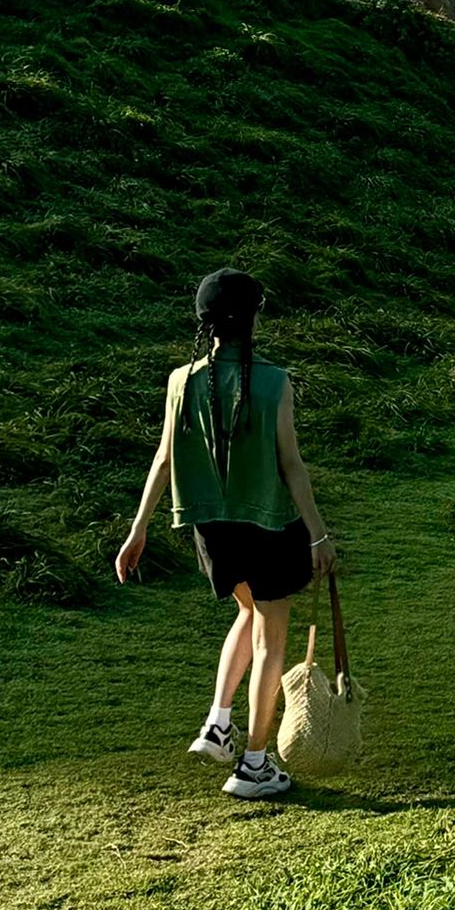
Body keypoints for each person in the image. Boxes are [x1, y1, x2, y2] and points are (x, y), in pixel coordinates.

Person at [115, 267, 336, 800]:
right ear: (254, 317)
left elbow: (164, 458)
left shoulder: (179, 380)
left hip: (208, 526)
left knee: (247, 612)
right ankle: (254, 766)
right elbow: (291, 465)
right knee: (271, 640)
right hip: (269, 526)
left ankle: (217, 726)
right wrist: (318, 533)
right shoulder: (273, 380)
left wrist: (137, 529)